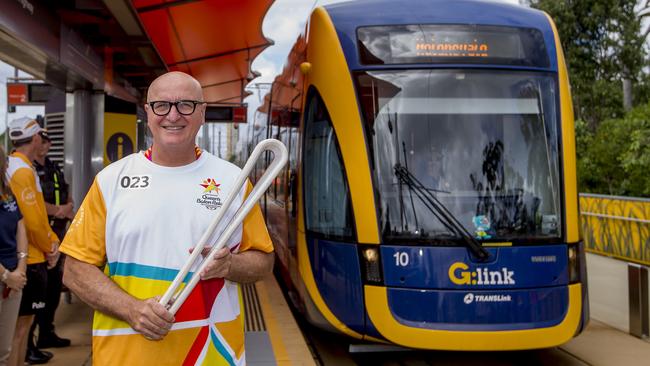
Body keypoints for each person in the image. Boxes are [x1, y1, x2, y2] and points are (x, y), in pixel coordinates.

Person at [61, 71, 274, 365]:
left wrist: (230, 264)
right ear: (148, 113)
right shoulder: (111, 181)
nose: (173, 115)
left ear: (202, 113)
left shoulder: (233, 181)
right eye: (162, 105)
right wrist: (132, 309)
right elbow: (74, 269)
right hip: (126, 357)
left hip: (211, 356)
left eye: (186, 105)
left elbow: (263, 262)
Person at [6, 117, 60, 366]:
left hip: (22, 256)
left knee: (17, 331)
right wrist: (51, 245)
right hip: (30, 258)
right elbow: (33, 220)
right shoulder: (23, 171)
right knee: (20, 330)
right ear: (36, 138)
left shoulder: (14, 165)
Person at [25, 130, 73, 357]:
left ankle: (47, 331)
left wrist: (68, 206)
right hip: (42, 233)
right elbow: (35, 204)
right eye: (42, 141)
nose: (45, 145)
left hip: (58, 230)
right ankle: (30, 341)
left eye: (48, 142)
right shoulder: (27, 169)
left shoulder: (53, 166)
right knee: (38, 290)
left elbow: (65, 190)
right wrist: (60, 210)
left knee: (53, 286)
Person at [0, 146, 28, 366]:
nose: (8, 165)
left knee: (4, 349)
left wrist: (21, 267)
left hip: (14, 279)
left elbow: (20, 226)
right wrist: (6, 275)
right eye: (5, 161)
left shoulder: (7, 192)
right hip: (5, 276)